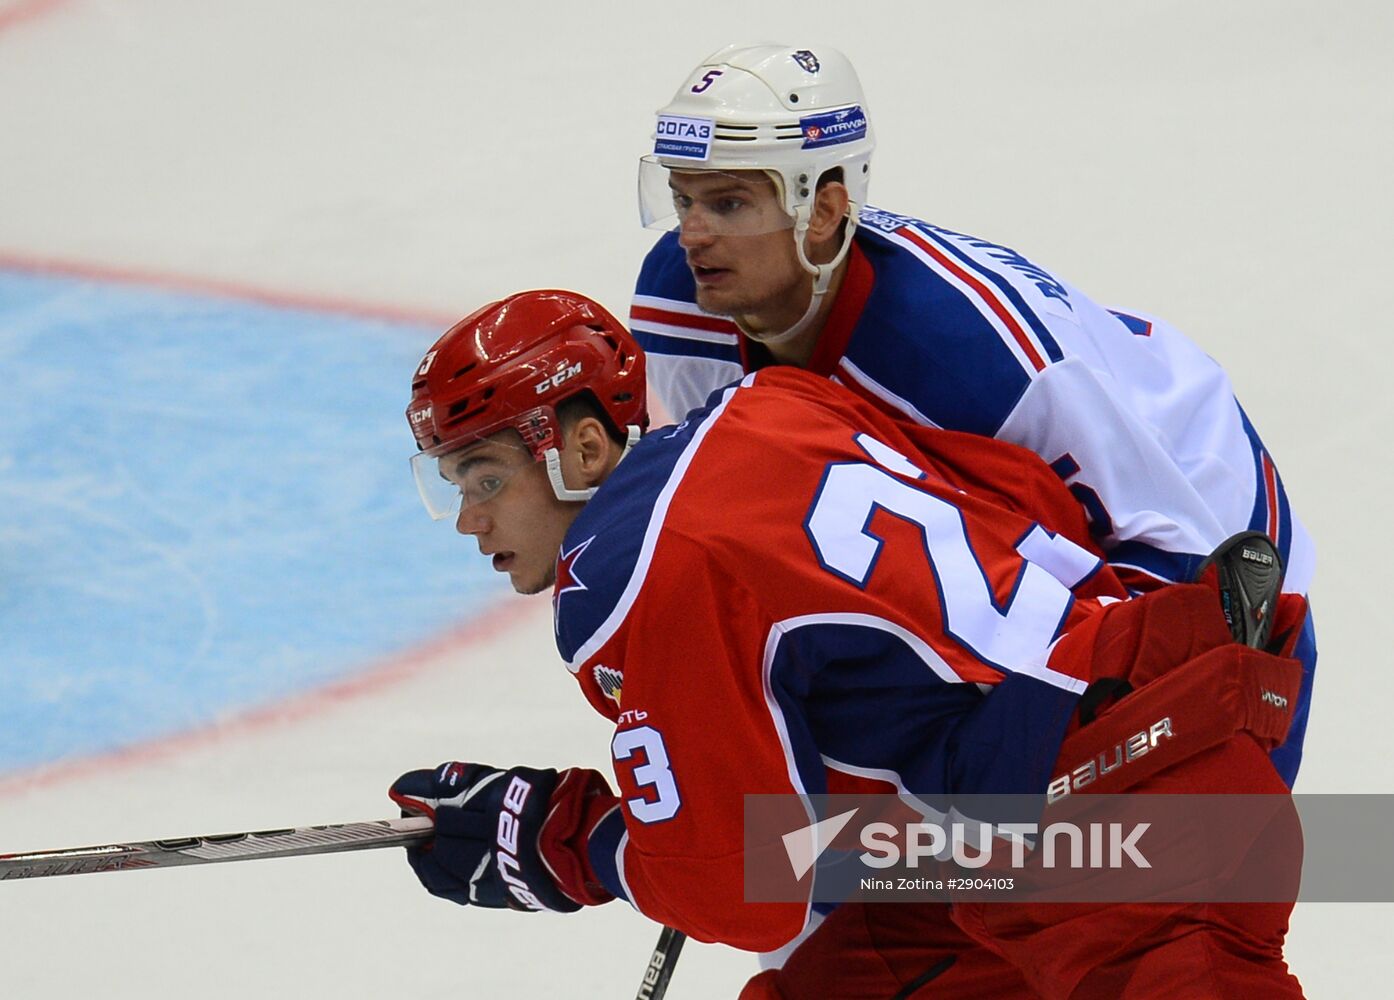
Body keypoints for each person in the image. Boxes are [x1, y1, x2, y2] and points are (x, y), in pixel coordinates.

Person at [389, 289, 1308, 998]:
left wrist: (566, 844)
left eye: (485, 476)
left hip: (1114, 836)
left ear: (581, 448)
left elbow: (738, 884)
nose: (469, 519)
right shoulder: (771, 405)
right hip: (1069, 789)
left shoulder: (631, 570)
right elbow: (1026, 498)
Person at [630, 43, 1317, 788]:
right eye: (683, 199)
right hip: (1016, 536)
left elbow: (1184, 559)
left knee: (1142, 864)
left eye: (728, 203)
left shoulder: (969, 356)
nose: (692, 235)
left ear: (823, 209)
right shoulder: (681, 297)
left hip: (1206, 531)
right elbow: (711, 509)